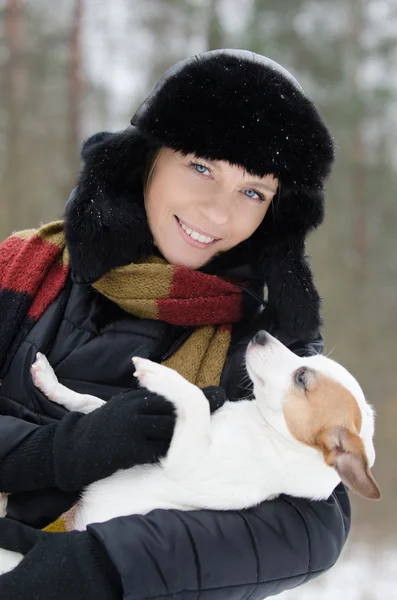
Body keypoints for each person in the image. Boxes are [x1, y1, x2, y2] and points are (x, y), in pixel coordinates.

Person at [0, 49, 349, 599]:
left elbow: (313, 525)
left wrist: (100, 566)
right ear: (147, 159)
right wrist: (58, 451)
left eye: (253, 191)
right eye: (201, 166)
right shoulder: (21, 267)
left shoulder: (262, 351)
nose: (216, 212)